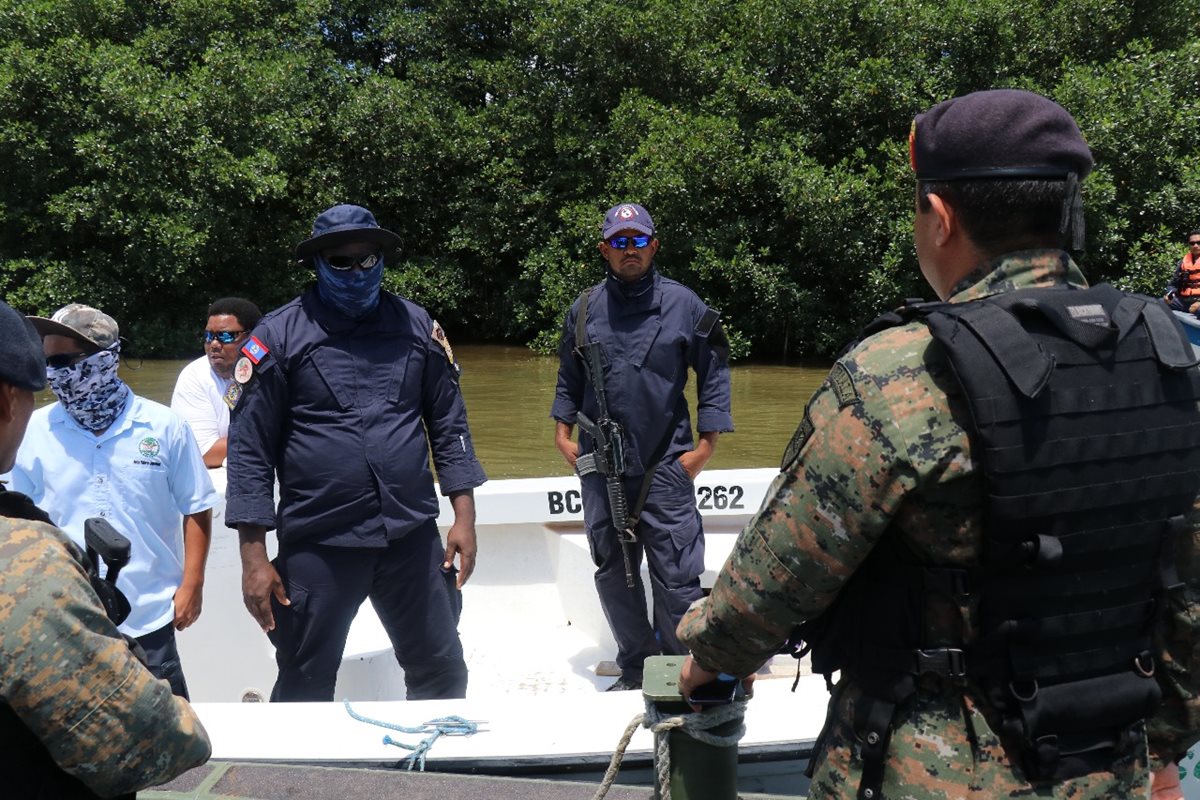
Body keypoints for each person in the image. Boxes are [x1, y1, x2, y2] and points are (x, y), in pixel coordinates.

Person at [677, 89, 1200, 800]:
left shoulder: (900, 373)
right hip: (1116, 765)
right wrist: (1162, 749)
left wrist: (704, 662)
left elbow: (773, 583)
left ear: (941, 216)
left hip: (933, 775)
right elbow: (1188, 595)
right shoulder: (1172, 361)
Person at [225, 203, 485, 702]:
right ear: (317, 264)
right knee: (303, 680)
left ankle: (438, 756)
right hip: (320, 542)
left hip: (410, 537)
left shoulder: (417, 326)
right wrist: (253, 558)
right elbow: (249, 453)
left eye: (368, 259)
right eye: (341, 262)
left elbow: (449, 424)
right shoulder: (276, 337)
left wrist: (464, 518)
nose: (357, 272)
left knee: (442, 671)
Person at [0, 297, 210, 798]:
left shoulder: (165, 426)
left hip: (150, 614)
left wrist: (192, 583)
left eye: (67, 360)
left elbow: (197, 506)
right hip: (63, 619)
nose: (56, 375)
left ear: (107, 358)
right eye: (48, 363)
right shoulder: (34, 432)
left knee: (168, 760)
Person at [552, 202, 733, 692]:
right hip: (600, 465)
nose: (628, 250)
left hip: (666, 464)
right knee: (614, 572)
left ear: (653, 246)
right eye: (619, 241)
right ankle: (635, 668)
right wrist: (562, 432)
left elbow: (714, 369)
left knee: (676, 576)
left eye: (637, 241)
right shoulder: (583, 309)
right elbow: (569, 376)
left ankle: (679, 675)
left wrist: (706, 445)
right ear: (604, 249)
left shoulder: (685, 305)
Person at [171, 297, 263, 467]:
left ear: (253, 337)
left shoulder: (275, 369)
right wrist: (271, 438)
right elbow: (203, 452)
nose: (213, 344)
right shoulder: (195, 376)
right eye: (209, 336)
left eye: (225, 336)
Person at [1163, 230, 1200, 315]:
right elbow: (1173, 284)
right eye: (1192, 243)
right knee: (1159, 304)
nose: (1195, 245)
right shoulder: (1183, 263)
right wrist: (1170, 294)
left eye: (1199, 243)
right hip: (1183, 302)